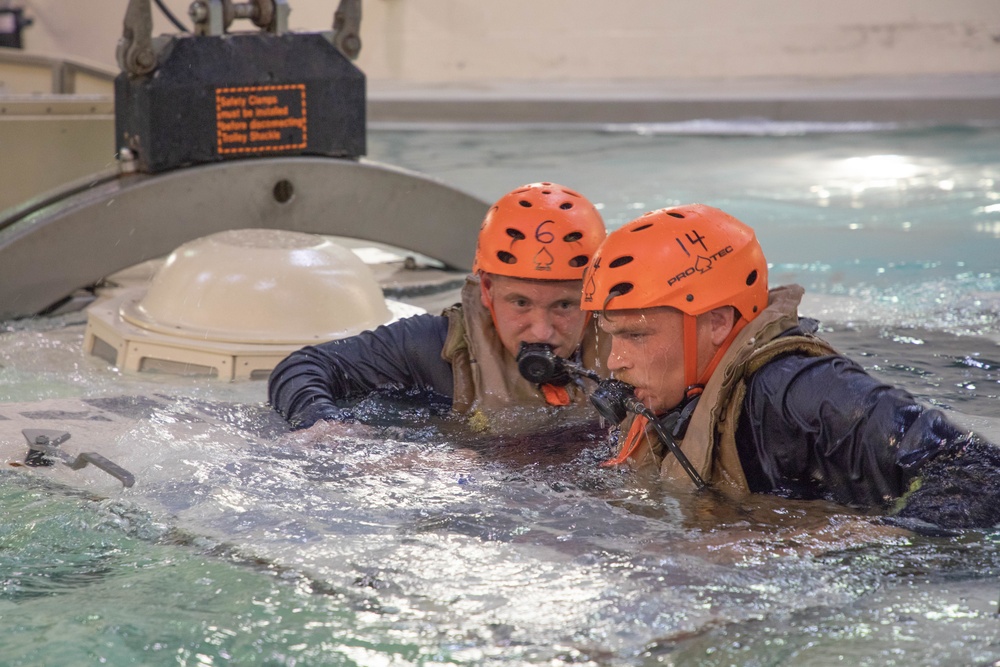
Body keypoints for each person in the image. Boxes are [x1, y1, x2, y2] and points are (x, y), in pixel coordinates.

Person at [580, 203, 1000, 529]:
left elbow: (980, 469)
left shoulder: (798, 389)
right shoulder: (677, 394)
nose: (615, 361)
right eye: (611, 335)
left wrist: (834, 541)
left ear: (716, 322)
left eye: (636, 336)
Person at [268, 182, 611, 436]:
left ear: (594, 298)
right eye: (520, 303)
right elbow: (304, 366)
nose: (541, 331)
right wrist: (329, 428)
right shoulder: (433, 348)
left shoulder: (628, 348)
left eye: (565, 305)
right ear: (488, 292)